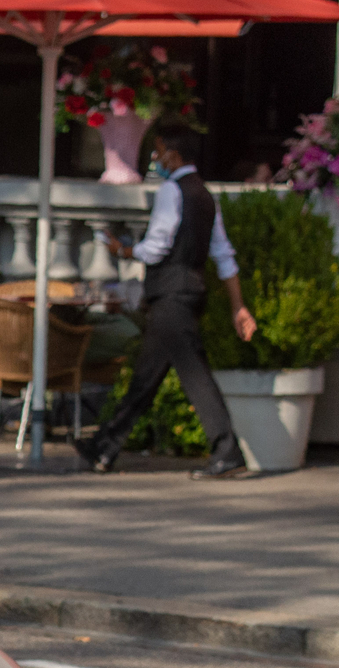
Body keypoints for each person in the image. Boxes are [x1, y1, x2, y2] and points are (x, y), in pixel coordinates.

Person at [77, 125, 259, 478]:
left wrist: (124, 250)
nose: (156, 159)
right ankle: (104, 448)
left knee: (195, 375)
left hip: (171, 297)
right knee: (145, 378)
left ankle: (226, 450)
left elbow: (156, 247)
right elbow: (224, 256)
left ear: (174, 155)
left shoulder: (171, 191)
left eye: (159, 152)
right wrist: (238, 305)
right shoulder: (205, 196)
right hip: (186, 294)